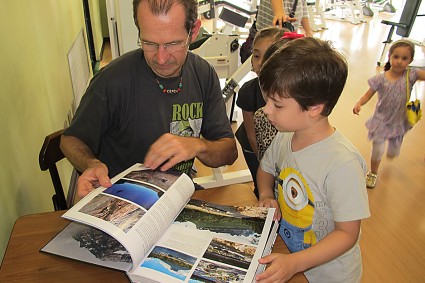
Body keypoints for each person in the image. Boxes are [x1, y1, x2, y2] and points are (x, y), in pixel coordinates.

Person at [60, 0, 238, 198]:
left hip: (178, 196)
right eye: (149, 43)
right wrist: (92, 164)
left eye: (172, 44)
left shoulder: (203, 74)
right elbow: (69, 139)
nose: (161, 58)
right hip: (125, 199)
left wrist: (198, 146)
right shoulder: (111, 81)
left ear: (194, 31)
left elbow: (229, 152)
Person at [255, 37, 370, 283]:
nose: (266, 109)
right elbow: (265, 171)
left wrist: (295, 263)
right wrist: (266, 195)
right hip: (290, 254)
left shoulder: (342, 164)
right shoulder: (285, 138)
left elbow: (347, 234)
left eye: (277, 104)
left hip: (330, 275)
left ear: (314, 108)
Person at [353, 39, 425, 189]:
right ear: (389, 57)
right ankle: (373, 173)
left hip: (399, 120)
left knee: (393, 153)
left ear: (411, 60)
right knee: (378, 149)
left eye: (404, 58)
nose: (399, 61)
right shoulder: (380, 79)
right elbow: (368, 94)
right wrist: (359, 102)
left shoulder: (411, 75)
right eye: (396, 57)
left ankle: (392, 148)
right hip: (381, 119)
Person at [235, 27, 286, 198]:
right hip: (253, 146)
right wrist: (266, 164)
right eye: (256, 56)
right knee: (262, 185)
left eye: (269, 56)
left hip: (279, 146)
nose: (261, 62)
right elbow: (251, 135)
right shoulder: (248, 91)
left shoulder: (291, 93)